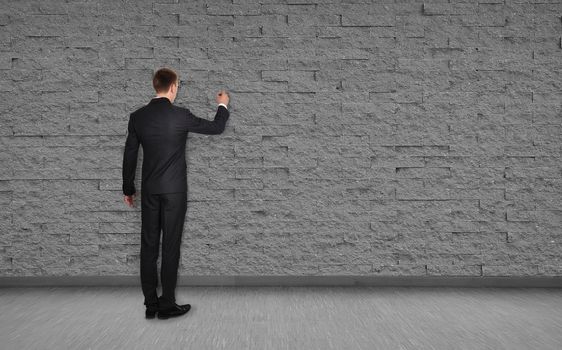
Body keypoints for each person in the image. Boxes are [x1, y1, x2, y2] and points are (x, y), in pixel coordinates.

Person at [121, 67, 230, 319]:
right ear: (173, 87)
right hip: (175, 192)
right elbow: (216, 128)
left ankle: (150, 305)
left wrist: (129, 188)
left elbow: (129, 155)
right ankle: (167, 303)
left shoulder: (137, 117)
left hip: (149, 191)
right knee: (170, 246)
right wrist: (222, 105)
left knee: (148, 246)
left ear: (155, 86)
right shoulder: (180, 115)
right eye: (178, 85)